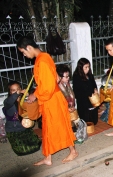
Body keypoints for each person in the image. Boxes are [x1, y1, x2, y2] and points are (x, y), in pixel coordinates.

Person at [17, 36, 78, 165]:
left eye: (23, 52)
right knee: (48, 128)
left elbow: (49, 85)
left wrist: (36, 94)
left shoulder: (42, 61)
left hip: (52, 99)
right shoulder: (44, 57)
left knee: (61, 126)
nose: (24, 55)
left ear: (29, 47)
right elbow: (56, 79)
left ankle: (73, 152)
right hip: (51, 99)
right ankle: (48, 158)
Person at [2, 81, 41, 156]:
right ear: (10, 92)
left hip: (24, 127)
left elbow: (31, 107)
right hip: (14, 130)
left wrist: (28, 96)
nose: (17, 91)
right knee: (23, 150)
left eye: (18, 89)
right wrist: (17, 93)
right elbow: (9, 102)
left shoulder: (22, 99)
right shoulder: (8, 102)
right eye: (14, 90)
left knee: (36, 145)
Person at [56, 64, 88, 143]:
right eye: (66, 76)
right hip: (62, 111)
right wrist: (67, 108)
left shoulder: (67, 84)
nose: (68, 78)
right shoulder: (57, 87)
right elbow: (59, 102)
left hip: (70, 109)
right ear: (59, 77)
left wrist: (71, 107)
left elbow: (72, 97)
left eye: (68, 76)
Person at [73, 58, 99, 125]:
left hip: (91, 98)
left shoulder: (89, 75)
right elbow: (80, 90)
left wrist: (95, 89)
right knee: (86, 121)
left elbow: (94, 84)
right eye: (86, 67)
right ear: (81, 68)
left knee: (94, 122)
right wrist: (89, 93)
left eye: (88, 67)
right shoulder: (77, 76)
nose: (88, 69)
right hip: (83, 99)